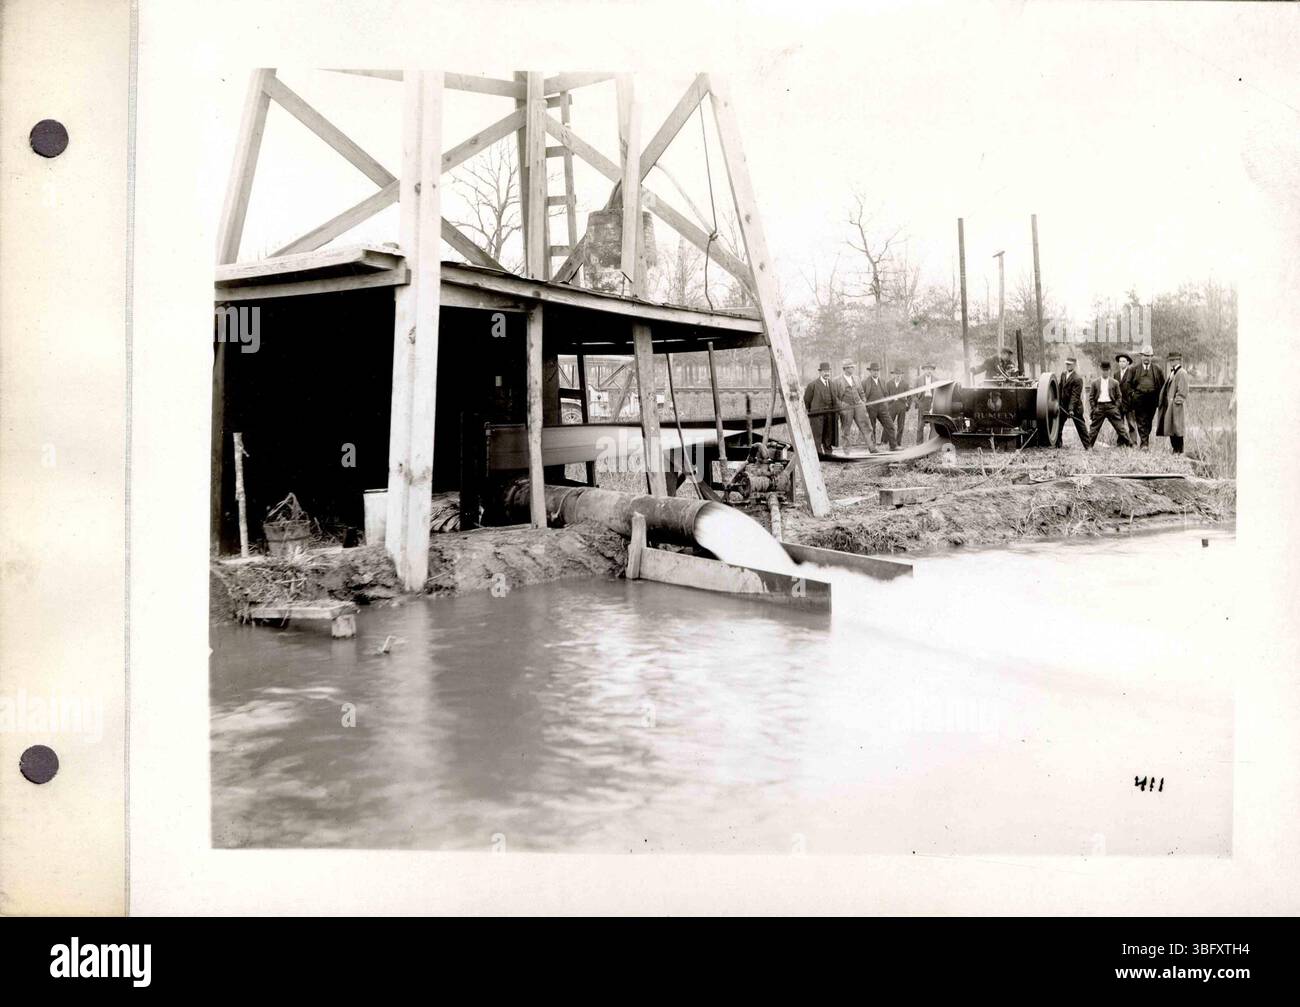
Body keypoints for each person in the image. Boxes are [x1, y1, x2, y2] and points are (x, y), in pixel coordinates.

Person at [832, 359, 877, 451]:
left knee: (866, 426)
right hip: (846, 408)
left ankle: (872, 448)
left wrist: (863, 402)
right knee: (846, 430)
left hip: (858, 406)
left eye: (853, 367)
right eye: (851, 367)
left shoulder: (856, 378)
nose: (853, 369)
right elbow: (834, 397)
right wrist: (841, 405)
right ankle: (847, 451)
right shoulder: (836, 381)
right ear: (845, 368)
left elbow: (861, 392)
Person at [1087, 360, 1132, 448]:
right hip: (1099, 407)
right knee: (1094, 428)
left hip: (1111, 406)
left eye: (1107, 370)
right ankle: (1088, 446)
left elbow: (1119, 396)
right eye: (1103, 370)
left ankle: (1129, 444)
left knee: (1120, 427)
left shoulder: (1115, 382)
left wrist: (1115, 407)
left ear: (1109, 370)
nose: (1105, 372)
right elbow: (1091, 397)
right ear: (1101, 370)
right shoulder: (1095, 383)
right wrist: (1094, 408)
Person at [1128, 345, 1165, 449]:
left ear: (1152, 357)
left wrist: (1160, 398)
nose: (1146, 358)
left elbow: (1163, 384)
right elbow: (1128, 384)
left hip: (1152, 399)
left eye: (1149, 356)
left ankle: (1144, 441)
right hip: (1139, 399)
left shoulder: (1157, 369)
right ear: (1141, 356)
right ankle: (1144, 444)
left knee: (1149, 421)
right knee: (1141, 420)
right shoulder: (1134, 369)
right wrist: (1133, 394)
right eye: (1145, 356)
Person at [1156, 350, 1190, 454]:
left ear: (1179, 360)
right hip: (1170, 405)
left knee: (1177, 429)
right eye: (1171, 360)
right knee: (1171, 428)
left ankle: (1179, 451)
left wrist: (1176, 401)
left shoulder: (1182, 372)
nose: (1172, 362)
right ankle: (1175, 450)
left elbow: (1183, 390)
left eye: (1174, 360)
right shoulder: (1172, 372)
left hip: (1176, 406)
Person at [1055, 355, 1089, 449]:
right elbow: (1060, 387)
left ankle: (1088, 446)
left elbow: (1075, 396)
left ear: (1074, 365)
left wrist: (1071, 409)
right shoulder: (1063, 374)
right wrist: (1056, 400)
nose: (1068, 366)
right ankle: (1058, 445)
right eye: (1066, 364)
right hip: (1063, 406)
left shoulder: (1078, 378)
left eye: (1070, 364)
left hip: (1075, 408)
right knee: (1058, 425)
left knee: (1080, 426)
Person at [803, 361, 837, 454]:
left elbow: (835, 399)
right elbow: (806, 401)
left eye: (828, 371)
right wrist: (811, 413)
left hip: (829, 414)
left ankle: (828, 452)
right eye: (824, 371)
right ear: (820, 372)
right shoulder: (812, 385)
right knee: (817, 435)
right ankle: (818, 453)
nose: (827, 373)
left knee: (828, 434)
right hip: (817, 415)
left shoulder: (832, 384)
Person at [863, 363, 891, 449]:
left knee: (889, 425)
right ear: (870, 371)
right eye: (874, 370)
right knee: (872, 427)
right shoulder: (865, 382)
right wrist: (866, 406)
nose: (876, 372)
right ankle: (872, 446)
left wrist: (885, 405)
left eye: (877, 370)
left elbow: (886, 394)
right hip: (871, 408)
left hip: (882, 408)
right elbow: (862, 395)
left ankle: (893, 445)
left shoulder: (882, 381)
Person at [1114, 352, 1139, 446]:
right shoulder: (1116, 374)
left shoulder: (1132, 373)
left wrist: (1132, 398)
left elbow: (1135, 387)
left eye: (1124, 361)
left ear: (1128, 363)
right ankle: (1121, 442)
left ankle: (1133, 443)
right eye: (1120, 361)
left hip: (1130, 403)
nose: (1121, 363)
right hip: (1119, 403)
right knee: (1119, 424)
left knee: (1131, 424)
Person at [885, 366, 909, 448]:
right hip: (891, 406)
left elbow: (910, 396)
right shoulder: (888, 384)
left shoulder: (905, 384)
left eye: (899, 374)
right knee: (888, 424)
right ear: (893, 375)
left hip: (902, 406)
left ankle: (898, 442)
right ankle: (885, 441)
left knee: (901, 425)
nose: (898, 376)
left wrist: (907, 405)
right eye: (896, 374)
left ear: (901, 375)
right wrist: (889, 402)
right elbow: (886, 395)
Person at [915, 362, 938, 444]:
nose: (929, 371)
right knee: (921, 424)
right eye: (927, 369)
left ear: (932, 370)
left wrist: (935, 403)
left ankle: (932, 443)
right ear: (924, 370)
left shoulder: (936, 380)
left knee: (933, 424)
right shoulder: (918, 379)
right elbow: (914, 393)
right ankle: (919, 444)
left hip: (932, 402)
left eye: (930, 369)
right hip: (922, 402)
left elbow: (939, 393)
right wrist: (918, 402)